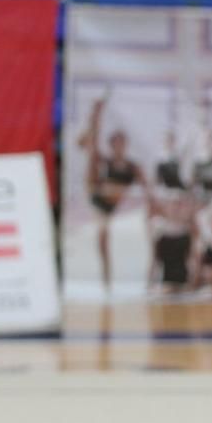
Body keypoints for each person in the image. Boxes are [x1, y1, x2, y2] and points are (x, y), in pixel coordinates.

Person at [77, 95, 150, 290]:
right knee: (92, 152)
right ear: (111, 145)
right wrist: (96, 115)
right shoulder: (105, 161)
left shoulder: (133, 167)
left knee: (104, 236)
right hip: (97, 198)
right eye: (116, 143)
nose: (119, 146)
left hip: (110, 204)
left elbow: (145, 187)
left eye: (122, 142)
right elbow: (92, 145)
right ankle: (95, 112)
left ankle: (107, 279)